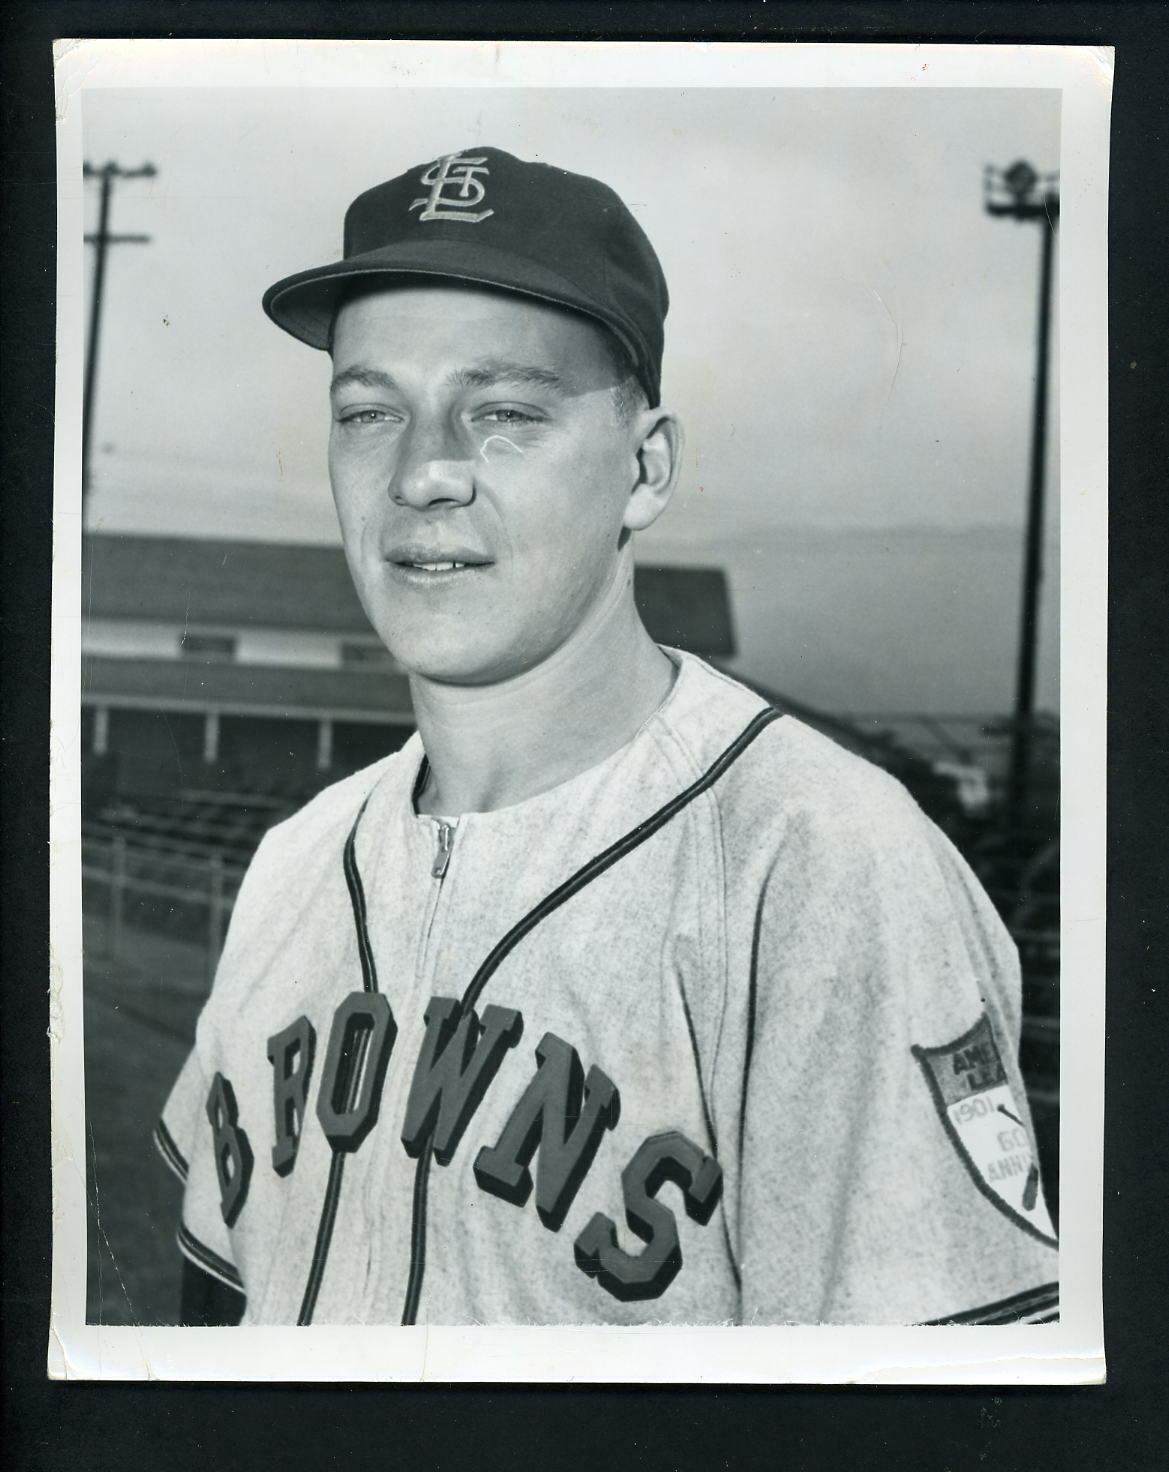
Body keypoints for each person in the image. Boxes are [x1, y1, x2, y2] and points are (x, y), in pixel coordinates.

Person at [155, 147, 1058, 1328]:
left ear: (645, 467)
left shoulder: (818, 866)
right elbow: (208, 1323)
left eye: (506, 413)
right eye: (369, 410)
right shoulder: (293, 863)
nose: (424, 471)